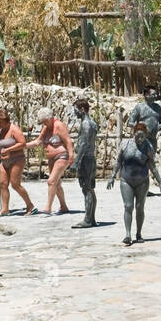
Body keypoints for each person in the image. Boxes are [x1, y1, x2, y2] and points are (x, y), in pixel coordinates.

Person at [108, 121, 158, 246]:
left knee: (139, 207)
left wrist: (160, 181)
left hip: (142, 181)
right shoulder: (125, 144)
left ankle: (139, 233)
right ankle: (128, 234)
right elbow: (118, 161)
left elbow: (152, 165)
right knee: (128, 206)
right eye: (138, 136)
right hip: (126, 180)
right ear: (133, 133)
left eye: (142, 136)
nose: (140, 139)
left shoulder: (148, 147)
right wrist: (112, 176)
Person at [27, 107, 73, 214]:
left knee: (51, 181)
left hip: (62, 156)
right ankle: (63, 206)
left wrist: (71, 155)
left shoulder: (59, 125)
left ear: (48, 119)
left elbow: (68, 141)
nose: (43, 124)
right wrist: (22, 145)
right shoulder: (46, 128)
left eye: (44, 121)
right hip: (51, 159)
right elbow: (38, 142)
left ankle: (48, 208)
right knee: (56, 184)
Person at [0, 107, 34, 215]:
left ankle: (30, 205)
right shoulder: (1, 130)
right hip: (4, 161)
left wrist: (9, 149)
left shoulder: (14, 129)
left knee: (15, 184)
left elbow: (22, 143)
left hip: (17, 160)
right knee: (3, 184)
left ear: (4, 120)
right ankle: (5, 209)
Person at [67, 96, 98, 228]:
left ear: (82, 109)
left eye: (76, 110)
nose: (74, 113)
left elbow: (84, 144)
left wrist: (76, 161)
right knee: (90, 190)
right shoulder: (93, 123)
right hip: (90, 158)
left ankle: (87, 220)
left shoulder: (86, 124)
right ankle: (91, 218)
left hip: (86, 160)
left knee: (87, 189)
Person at [128, 87, 161, 194]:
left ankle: (145, 188)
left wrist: (159, 127)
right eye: (152, 94)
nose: (155, 96)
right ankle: (139, 187)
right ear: (145, 95)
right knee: (141, 162)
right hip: (141, 140)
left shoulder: (157, 108)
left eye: (155, 94)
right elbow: (130, 122)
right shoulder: (139, 107)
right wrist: (141, 127)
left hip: (153, 140)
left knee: (149, 163)